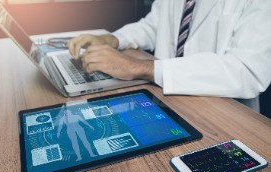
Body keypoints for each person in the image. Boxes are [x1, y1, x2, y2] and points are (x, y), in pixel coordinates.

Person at [68, 0, 271, 111]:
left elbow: (248, 71)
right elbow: (153, 25)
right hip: (166, 100)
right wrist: (114, 39)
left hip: (224, 115)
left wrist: (138, 67)